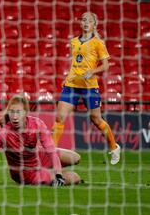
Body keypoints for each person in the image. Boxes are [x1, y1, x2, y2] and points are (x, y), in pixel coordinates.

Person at [51, 11, 120, 165]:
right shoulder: (74, 41)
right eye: (83, 20)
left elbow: (106, 65)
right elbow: (76, 63)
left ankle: (114, 147)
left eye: (89, 20)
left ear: (94, 25)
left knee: (95, 119)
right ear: (80, 23)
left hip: (89, 87)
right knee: (59, 117)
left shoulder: (98, 43)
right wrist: (67, 77)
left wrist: (92, 71)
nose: (85, 22)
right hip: (71, 85)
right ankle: (51, 152)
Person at [0, 95, 81, 188]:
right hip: (26, 173)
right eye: (12, 112)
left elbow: (51, 151)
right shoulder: (2, 133)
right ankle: (47, 175)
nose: (15, 117)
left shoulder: (37, 124)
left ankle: (52, 173)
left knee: (75, 157)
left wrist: (58, 175)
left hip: (37, 156)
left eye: (18, 112)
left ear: (25, 112)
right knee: (75, 177)